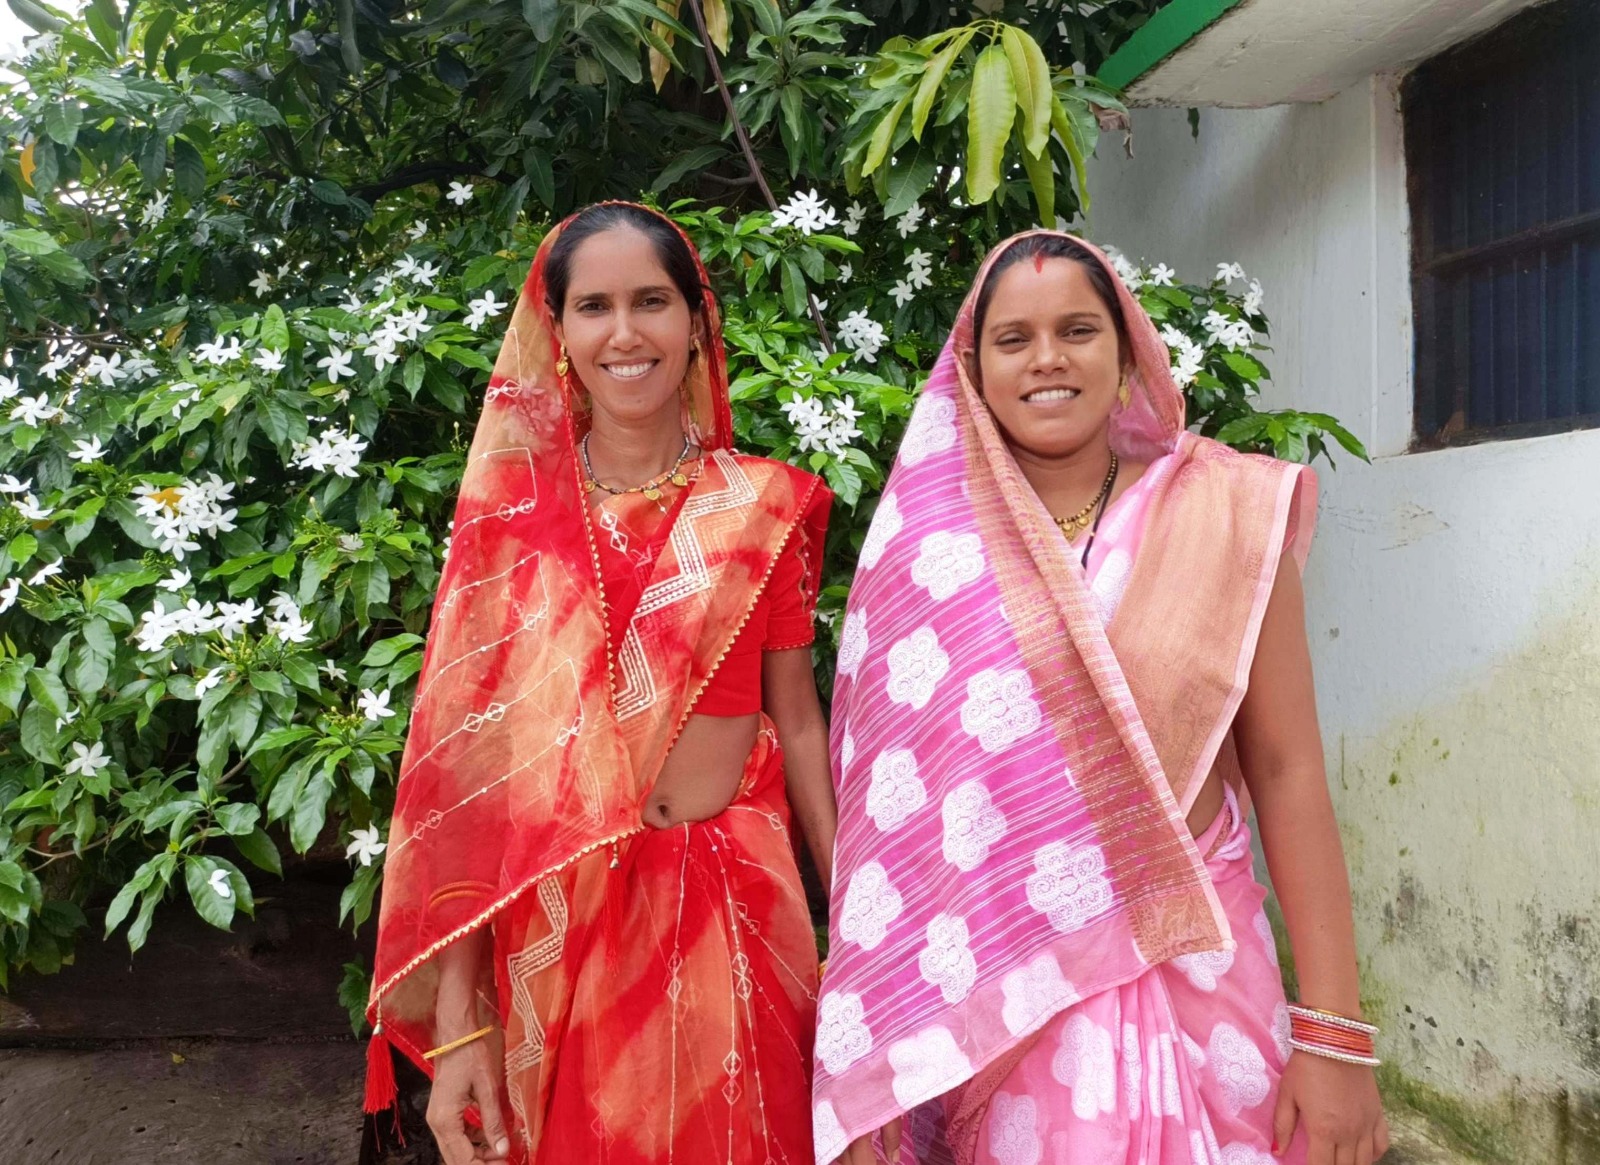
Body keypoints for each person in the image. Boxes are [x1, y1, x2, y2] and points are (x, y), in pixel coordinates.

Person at [814, 232, 1389, 1165]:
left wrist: (1336, 1036)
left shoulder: (1223, 512)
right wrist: (876, 1055)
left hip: (1206, 988)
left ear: (1128, 353)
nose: (1047, 357)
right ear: (973, 369)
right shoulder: (925, 562)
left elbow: (1287, 771)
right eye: (1014, 339)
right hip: (1015, 1010)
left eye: (1078, 329)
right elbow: (893, 837)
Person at [365, 202, 838, 1165]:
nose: (625, 333)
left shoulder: (764, 505)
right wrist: (460, 1027)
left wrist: (865, 937)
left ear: (697, 323)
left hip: (734, 919)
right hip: (560, 937)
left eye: (652, 301)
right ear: (559, 333)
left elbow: (799, 727)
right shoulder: (514, 533)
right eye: (594, 306)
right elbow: (477, 793)